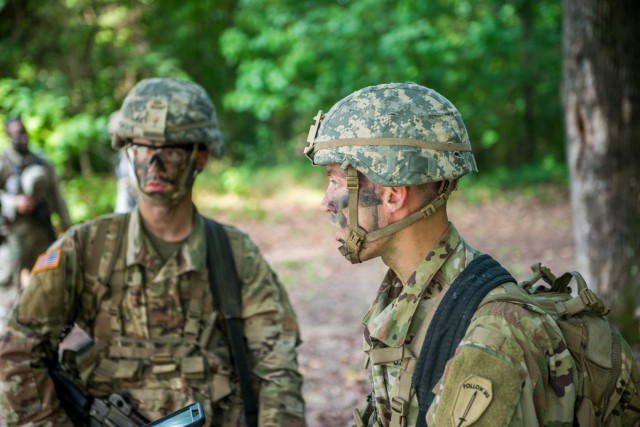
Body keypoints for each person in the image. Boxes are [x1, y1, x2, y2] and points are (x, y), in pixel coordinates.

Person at [0, 78, 305, 426]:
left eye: (171, 150)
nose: (154, 165)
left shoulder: (236, 255)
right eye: (143, 148)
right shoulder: (83, 249)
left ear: (200, 156)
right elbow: (18, 353)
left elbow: (277, 370)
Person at [303, 82, 581, 426]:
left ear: (392, 196)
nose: (324, 203)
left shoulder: (489, 336)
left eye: (336, 181)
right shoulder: (407, 295)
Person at [0, 117, 72, 290]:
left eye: (25, 132)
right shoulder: (4, 162)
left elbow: (57, 195)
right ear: (9, 136)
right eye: (18, 134)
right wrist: (14, 202)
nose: (24, 138)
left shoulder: (41, 162)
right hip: (14, 234)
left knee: (50, 276)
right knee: (12, 283)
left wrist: (67, 224)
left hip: (41, 230)